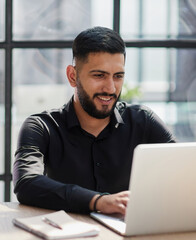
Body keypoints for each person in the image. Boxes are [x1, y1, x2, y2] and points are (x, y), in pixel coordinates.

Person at [13, 26, 176, 214]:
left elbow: (184, 170)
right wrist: (97, 201)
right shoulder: (41, 127)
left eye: (118, 76)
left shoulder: (143, 120)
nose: (110, 88)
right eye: (99, 75)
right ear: (72, 76)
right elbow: (26, 183)